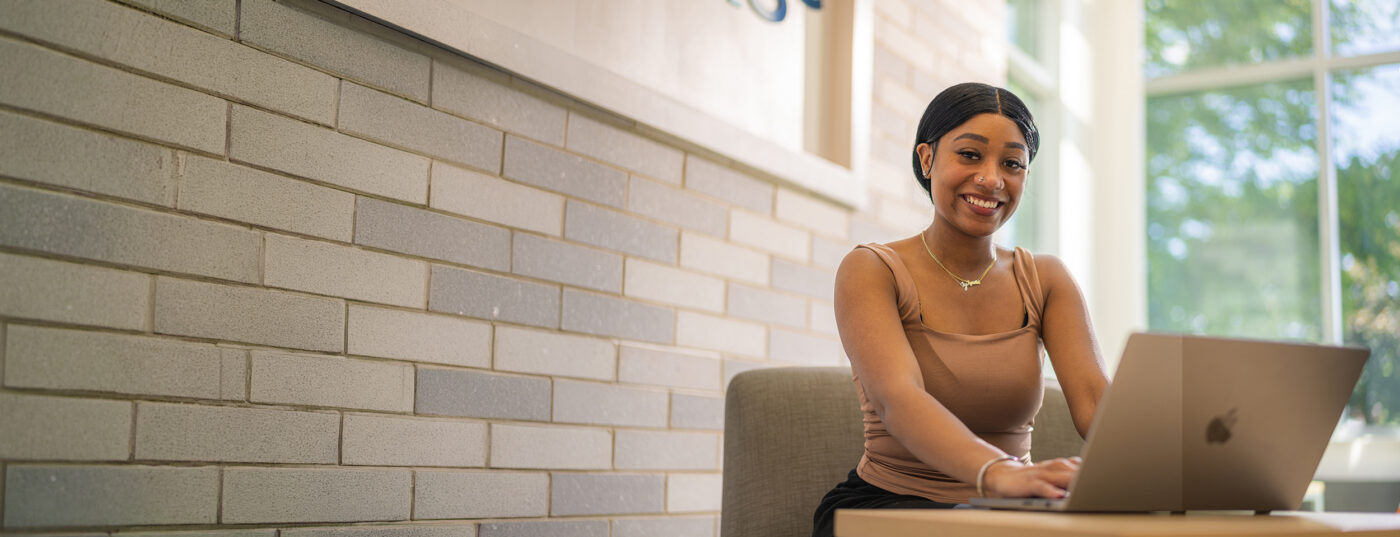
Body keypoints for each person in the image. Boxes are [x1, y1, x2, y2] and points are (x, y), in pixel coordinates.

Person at [811, 82, 1110, 537]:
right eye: (970, 155)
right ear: (927, 158)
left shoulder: (1046, 279)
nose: (992, 179)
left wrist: (1183, 468)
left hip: (1011, 512)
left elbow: (1094, 403)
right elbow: (899, 400)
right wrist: (997, 473)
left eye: (1012, 163)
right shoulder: (871, 269)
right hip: (889, 507)